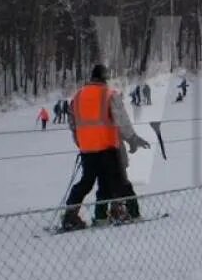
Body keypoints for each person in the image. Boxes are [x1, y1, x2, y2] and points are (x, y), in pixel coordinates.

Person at [61, 64, 150, 230]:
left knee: (86, 183)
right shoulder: (109, 95)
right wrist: (132, 138)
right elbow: (121, 120)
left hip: (87, 150)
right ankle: (132, 213)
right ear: (104, 78)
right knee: (119, 182)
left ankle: (70, 216)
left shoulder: (78, 96)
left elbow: (73, 124)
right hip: (107, 148)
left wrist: (81, 142)